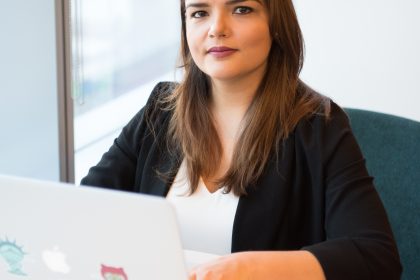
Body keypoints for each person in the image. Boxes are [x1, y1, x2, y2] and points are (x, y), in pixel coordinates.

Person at [81, 0, 402, 279]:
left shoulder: (318, 126)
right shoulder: (160, 111)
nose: (216, 28)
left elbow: (374, 256)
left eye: (241, 9)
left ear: (276, 24)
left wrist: (250, 270)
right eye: (199, 13)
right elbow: (84, 210)